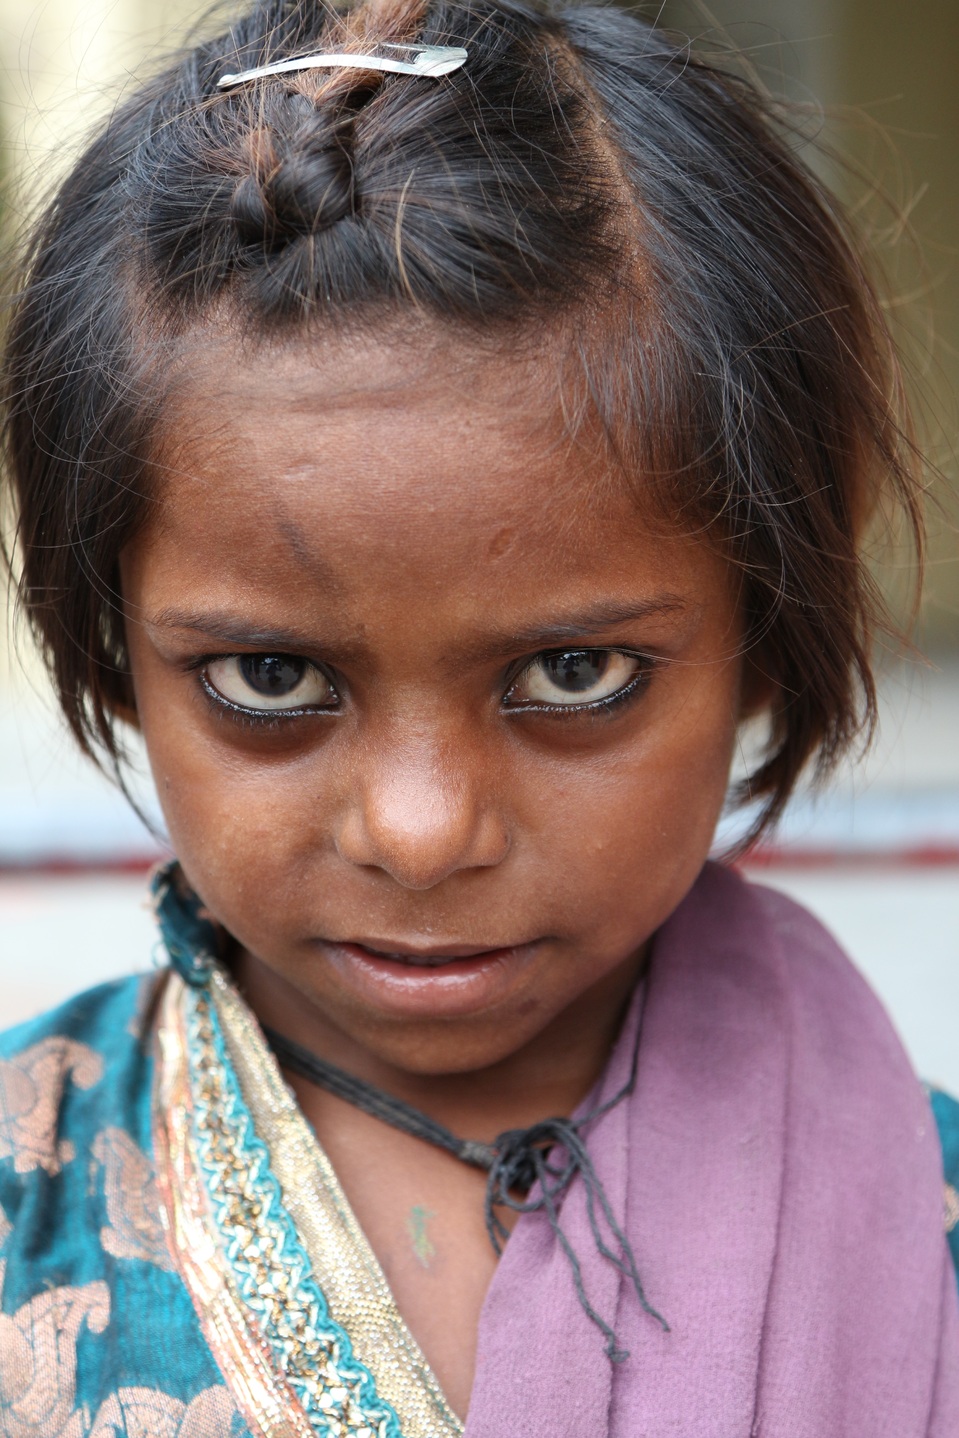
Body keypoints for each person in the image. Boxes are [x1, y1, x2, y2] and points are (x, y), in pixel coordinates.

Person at [0, 0, 956, 1432]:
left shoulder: (925, 1217)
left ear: (766, 630)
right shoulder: (28, 1206)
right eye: (272, 681)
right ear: (107, 640)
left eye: (575, 674)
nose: (424, 828)